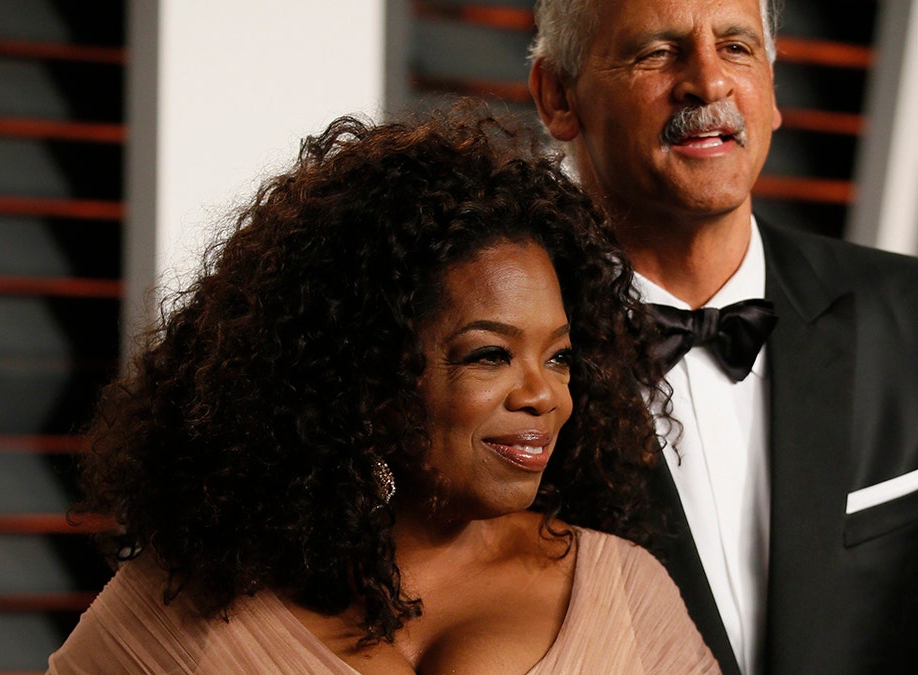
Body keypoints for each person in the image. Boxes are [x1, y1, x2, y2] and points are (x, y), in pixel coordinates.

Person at [47, 108, 719, 674]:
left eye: (561, 357)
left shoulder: (623, 593)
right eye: (490, 354)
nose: (545, 395)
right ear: (366, 369)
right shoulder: (194, 602)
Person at [528, 1, 918, 673]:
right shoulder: (498, 369)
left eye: (736, 47)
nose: (710, 83)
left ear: (774, 89)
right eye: (658, 52)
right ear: (557, 96)